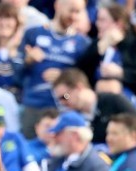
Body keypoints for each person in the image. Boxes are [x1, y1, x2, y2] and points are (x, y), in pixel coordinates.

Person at [75, 3, 136, 158]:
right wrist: (99, 48)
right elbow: (78, 74)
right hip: (103, 113)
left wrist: (122, 73)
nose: (97, 24)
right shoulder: (96, 45)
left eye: (102, 20)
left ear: (118, 23)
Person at [18, 0, 90, 139]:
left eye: (78, 12)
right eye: (71, 10)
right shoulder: (33, 34)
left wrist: (64, 77)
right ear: (57, 5)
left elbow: (86, 80)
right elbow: (15, 74)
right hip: (34, 105)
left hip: (65, 106)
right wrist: (27, 62)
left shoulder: (82, 43)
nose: (74, 16)